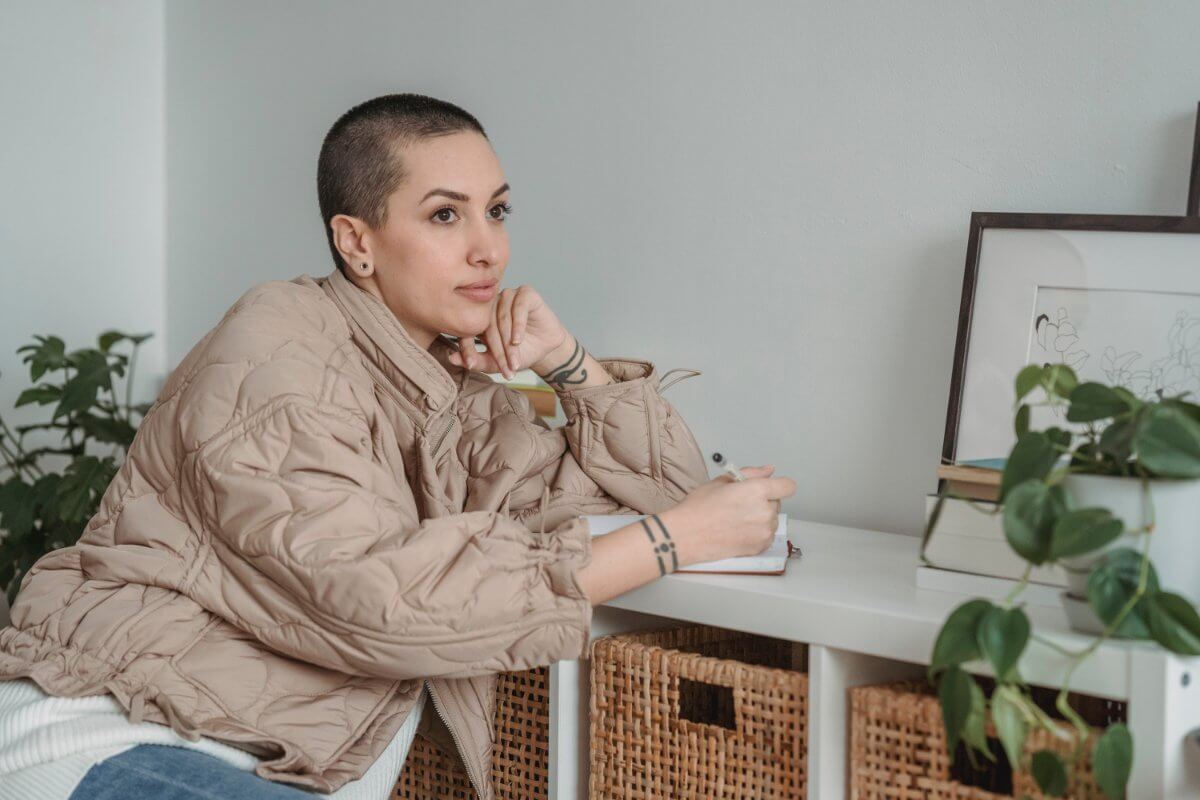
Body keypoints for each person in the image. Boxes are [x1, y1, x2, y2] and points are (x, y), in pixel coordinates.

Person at [0, 93, 796, 800]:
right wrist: (669, 543)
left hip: (266, 760)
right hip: (122, 741)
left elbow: (667, 494)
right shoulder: (277, 351)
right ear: (357, 242)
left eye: (498, 211)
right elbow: (376, 597)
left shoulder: (451, 385)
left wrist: (571, 365)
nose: (489, 248)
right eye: (446, 215)